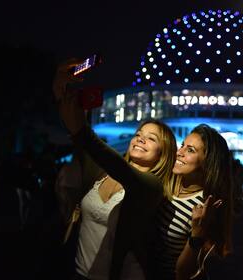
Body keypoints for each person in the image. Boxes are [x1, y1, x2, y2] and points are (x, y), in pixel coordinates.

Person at [53, 60, 177, 280]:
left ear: (163, 153)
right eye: (138, 134)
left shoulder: (151, 187)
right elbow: (81, 138)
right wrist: (62, 93)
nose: (140, 139)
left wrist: (82, 129)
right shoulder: (102, 171)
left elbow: (94, 146)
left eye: (151, 138)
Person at [151, 124, 234, 280]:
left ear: (208, 163)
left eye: (190, 150)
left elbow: (183, 272)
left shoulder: (205, 208)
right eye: (182, 145)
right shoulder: (166, 182)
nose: (179, 152)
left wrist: (197, 234)